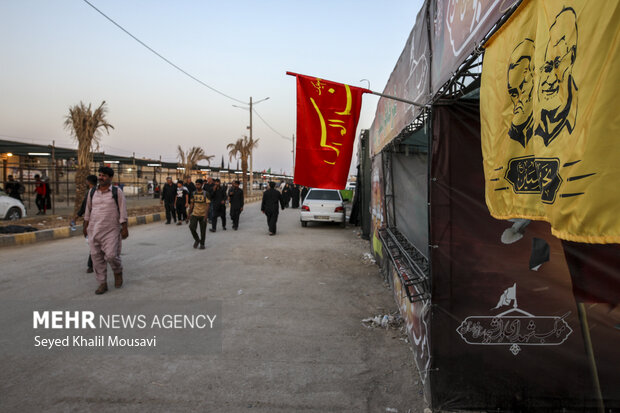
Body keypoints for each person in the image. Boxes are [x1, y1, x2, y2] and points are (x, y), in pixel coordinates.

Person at [83, 166, 128, 295]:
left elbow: (123, 210)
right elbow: (88, 211)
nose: (100, 177)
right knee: (96, 258)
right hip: (94, 230)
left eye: (104, 176)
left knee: (111, 255)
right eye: (100, 175)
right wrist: (85, 226)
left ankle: (118, 271)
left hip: (111, 230)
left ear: (110, 178)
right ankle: (102, 283)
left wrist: (124, 227)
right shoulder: (92, 192)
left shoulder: (116, 192)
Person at [75, 174, 98, 273]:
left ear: (88, 182)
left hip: (93, 221)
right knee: (95, 242)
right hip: (96, 220)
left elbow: (84, 206)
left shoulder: (91, 192)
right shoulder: (98, 191)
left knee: (93, 242)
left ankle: (91, 265)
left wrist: (76, 217)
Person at [188, 178, 210, 249]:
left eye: (198, 184)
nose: (197, 186)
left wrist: (206, 216)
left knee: (203, 231)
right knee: (191, 227)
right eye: (196, 184)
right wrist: (189, 213)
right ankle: (197, 240)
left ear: (202, 185)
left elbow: (207, 205)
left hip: (203, 214)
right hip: (195, 214)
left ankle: (202, 244)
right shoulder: (193, 193)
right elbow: (191, 204)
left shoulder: (205, 193)